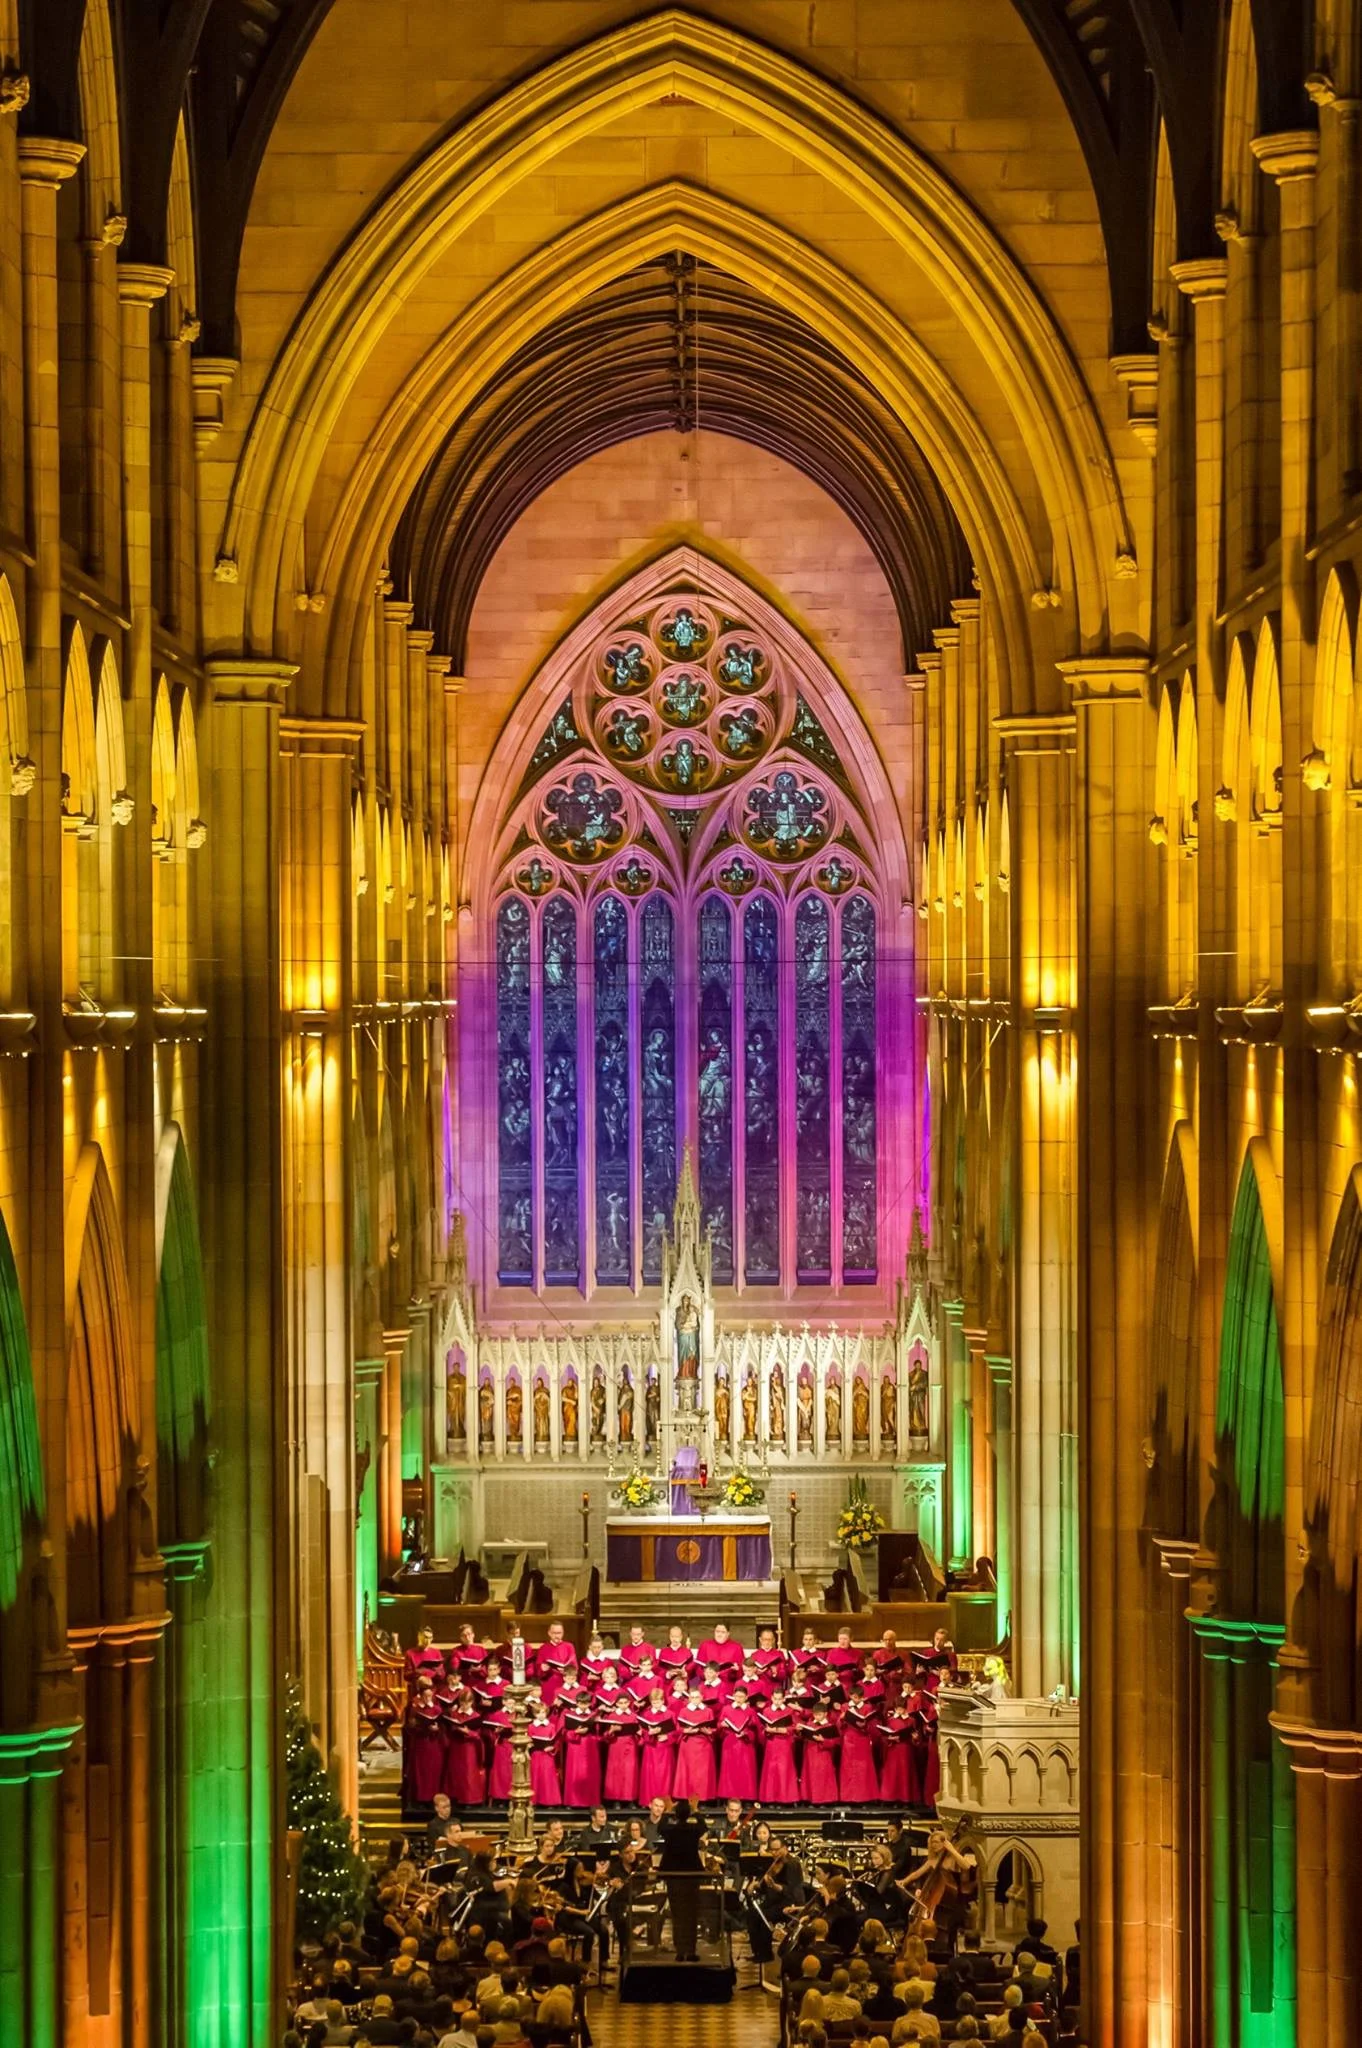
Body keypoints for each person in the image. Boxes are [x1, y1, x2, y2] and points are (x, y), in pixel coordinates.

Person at [658, 1798, 707, 1960]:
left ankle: (680, 1951)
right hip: (692, 1876)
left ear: (676, 1815)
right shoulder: (693, 1830)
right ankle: (691, 1951)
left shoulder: (670, 1830)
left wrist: (668, 1810)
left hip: (674, 1877)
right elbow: (703, 1826)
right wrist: (696, 1810)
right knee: (691, 1915)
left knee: (677, 1914)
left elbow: (660, 1826)